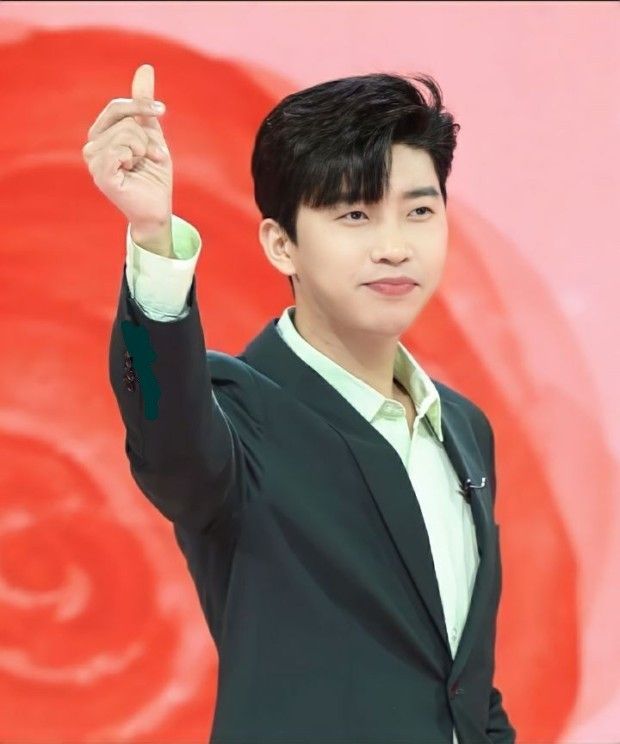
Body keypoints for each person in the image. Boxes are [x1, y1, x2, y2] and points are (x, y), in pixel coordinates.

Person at [83, 63, 516, 743]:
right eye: (354, 214)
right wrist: (152, 235)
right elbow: (169, 438)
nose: (394, 247)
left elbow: (465, 682)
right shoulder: (235, 413)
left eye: (419, 210)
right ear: (281, 244)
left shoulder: (462, 426)